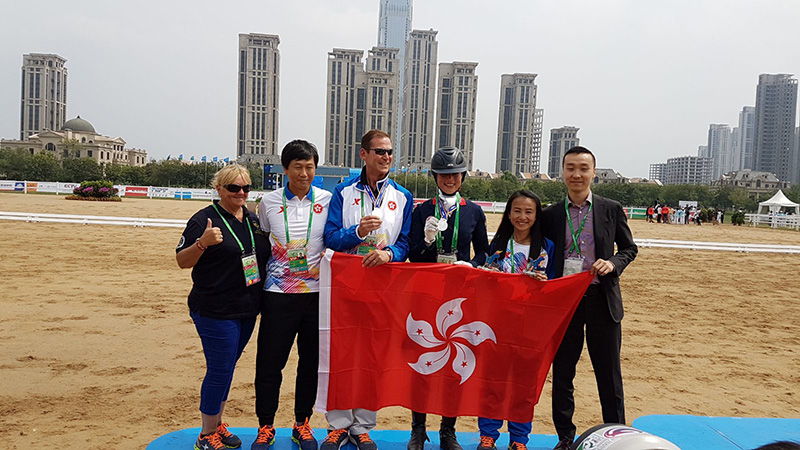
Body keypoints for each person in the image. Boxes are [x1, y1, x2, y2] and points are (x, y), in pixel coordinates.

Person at [321, 129, 414, 450]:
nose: (386, 157)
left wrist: (391, 254)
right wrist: (357, 232)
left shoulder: (403, 196)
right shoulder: (343, 191)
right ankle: (338, 424)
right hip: (346, 286)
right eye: (379, 151)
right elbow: (330, 238)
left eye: (389, 152)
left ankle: (362, 426)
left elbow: (406, 242)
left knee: (373, 356)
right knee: (342, 354)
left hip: (383, 287)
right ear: (364, 154)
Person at [541, 146, 638, 450]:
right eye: (570, 168)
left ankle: (618, 435)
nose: (577, 174)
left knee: (609, 375)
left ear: (594, 172)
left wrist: (613, 263)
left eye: (583, 168)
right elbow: (539, 252)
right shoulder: (550, 214)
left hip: (601, 300)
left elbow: (629, 248)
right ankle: (565, 438)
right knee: (563, 373)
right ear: (562, 172)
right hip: (564, 303)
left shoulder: (610, 208)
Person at [175, 164, 270, 450]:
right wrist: (202, 244)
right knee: (219, 369)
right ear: (219, 188)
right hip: (215, 308)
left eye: (246, 188)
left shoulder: (253, 219)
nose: (240, 193)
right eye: (233, 188)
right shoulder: (204, 219)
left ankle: (216, 424)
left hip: (247, 308)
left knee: (227, 367)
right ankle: (206, 434)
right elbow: (182, 261)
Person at [406, 146, 490, 450]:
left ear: (463, 176)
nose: (450, 179)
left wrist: (473, 265)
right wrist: (428, 241)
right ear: (435, 177)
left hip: (460, 297)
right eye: (444, 175)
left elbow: (484, 251)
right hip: (427, 295)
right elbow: (414, 255)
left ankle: (448, 429)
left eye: (455, 174)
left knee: (456, 362)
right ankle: (418, 429)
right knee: (423, 363)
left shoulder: (473, 211)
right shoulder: (422, 211)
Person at [252, 140, 332, 450]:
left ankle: (302, 424)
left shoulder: (327, 200)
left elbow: (335, 239)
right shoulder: (268, 202)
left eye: (309, 167)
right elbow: (262, 243)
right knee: (270, 363)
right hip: (277, 294)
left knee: (310, 363)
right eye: (297, 167)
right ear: (285, 169)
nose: (304, 173)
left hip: (316, 295)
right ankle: (266, 425)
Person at [476, 189, 556, 450]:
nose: (522, 217)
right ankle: (488, 435)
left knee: (524, 384)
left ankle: (519, 439)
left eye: (528, 212)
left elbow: (556, 286)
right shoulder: (498, 245)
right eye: (517, 211)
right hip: (498, 325)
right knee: (493, 382)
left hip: (531, 328)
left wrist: (544, 283)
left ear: (537, 215)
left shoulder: (547, 247)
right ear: (509, 214)